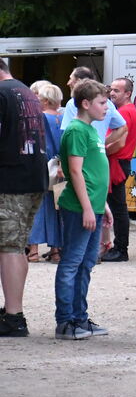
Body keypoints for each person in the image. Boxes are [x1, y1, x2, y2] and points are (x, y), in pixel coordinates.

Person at [56, 78, 111, 340]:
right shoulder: (77, 130)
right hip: (80, 208)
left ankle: (79, 317)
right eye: (102, 103)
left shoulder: (91, 130)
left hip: (94, 207)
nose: (107, 108)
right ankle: (65, 321)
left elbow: (94, 172)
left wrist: (104, 206)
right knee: (71, 263)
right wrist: (88, 208)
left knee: (85, 264)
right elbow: (76, 172)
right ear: (86, 103)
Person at [0, 58, 48, 337]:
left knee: (8, 247)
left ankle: (14, 316)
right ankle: (11, 311)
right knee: (15, 246)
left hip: (10, 179)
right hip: (33, 177)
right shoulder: (26, 92)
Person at [100, 76, 136, 262]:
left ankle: (120, 248)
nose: (112, 93)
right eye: (112, 89)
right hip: (121, 162)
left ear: (128, 93)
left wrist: (101, 149)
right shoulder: (131, 111)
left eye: (117, 91)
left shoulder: (125, 112)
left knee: (117, 208)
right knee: (118, 207)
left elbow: (120, 141)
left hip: (117, 162)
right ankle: (119, 247)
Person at [26, 80, 63, 264]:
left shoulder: (39, 118)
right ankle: (56, 251)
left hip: (43, 167)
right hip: (61, 167)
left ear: (46, 100)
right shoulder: (64, 118)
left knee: (37, 207)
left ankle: (33, 251)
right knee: (57, 209)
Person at [61, 67, 127, 158]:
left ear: (78, 81)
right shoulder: (108, 103)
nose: (68, 83)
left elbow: (67, 135)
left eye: (71, 79)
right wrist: (100, 143)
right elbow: (123, 127)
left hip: (81, 155)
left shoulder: (74, 103)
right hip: (99, 156)